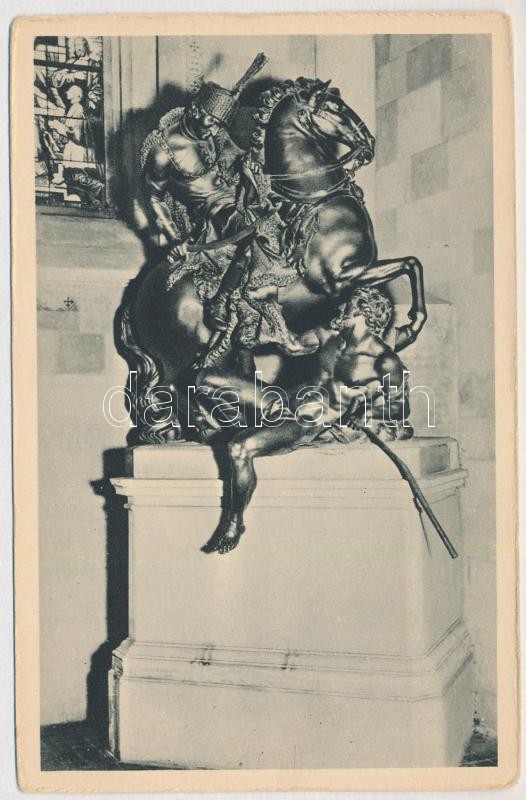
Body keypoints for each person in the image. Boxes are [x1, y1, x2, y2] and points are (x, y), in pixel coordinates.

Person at [141, 54, 276, 333]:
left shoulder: (214, 133)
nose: (214, 130)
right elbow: (154, 198)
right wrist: (174, 238)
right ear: (194, 111)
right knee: (255, 236)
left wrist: (251, 164)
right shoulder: (163, 151)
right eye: (211, 122)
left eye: (218, 125)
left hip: (240, 194)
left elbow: (236, 155)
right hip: (216, 211)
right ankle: (221, 300)